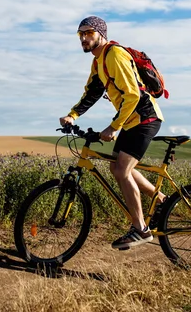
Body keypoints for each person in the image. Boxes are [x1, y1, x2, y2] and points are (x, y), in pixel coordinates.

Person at [59, 16, 166, 250]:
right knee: (116, 167)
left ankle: (140, 229)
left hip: (144, 118)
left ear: (100, 34)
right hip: (131, 120)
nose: (83, 38)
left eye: (88, 33)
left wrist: (113, 127)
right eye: (80, 35)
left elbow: (132, 95)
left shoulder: (114, 55)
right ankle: (162, 201)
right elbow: (93, 92)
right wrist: (73, 115)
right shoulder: (98, 62)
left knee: (123, 169)